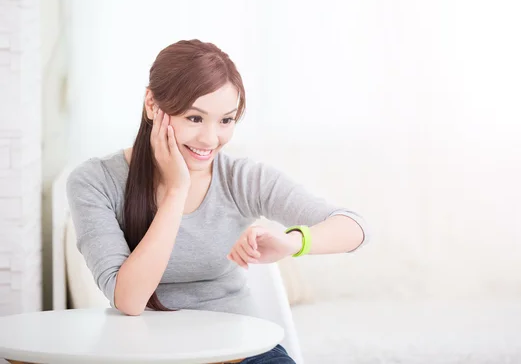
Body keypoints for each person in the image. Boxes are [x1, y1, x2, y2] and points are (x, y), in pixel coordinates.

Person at [66, 39, 370, 363]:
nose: (211, 140)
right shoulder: (94, 181)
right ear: (152, 105)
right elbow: (129, 299)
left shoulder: (240, 178)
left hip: (242, 353)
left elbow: (354, 227)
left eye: (226, 120)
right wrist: (175, 191)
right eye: (195, 118)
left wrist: (292, 242)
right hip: (148, 355)